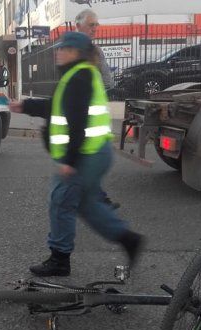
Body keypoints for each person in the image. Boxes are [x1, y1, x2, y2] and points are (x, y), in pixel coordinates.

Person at [9, 32, 143, 277]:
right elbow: (59, 107)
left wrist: (70, 161)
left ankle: (60, 260)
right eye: (59, 47)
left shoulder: (79, 76)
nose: (59, 51)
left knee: (61, 200)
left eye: (66, 48)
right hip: (93, 152)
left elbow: (77, 120)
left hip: (86, 154)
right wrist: (25, 106)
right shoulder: (77, 74)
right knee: (86, 204)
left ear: (78, 52)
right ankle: (127, 238)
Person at [75, 9, 119, 210]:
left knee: (88, 157)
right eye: (91, 24)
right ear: (78, 26)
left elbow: (106, 78)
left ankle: (93, 196)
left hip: (92, 114)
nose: (95, 28)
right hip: (83, 114)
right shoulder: (79, 50)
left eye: (96, 24)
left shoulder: (90, 50)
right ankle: (94, 199)